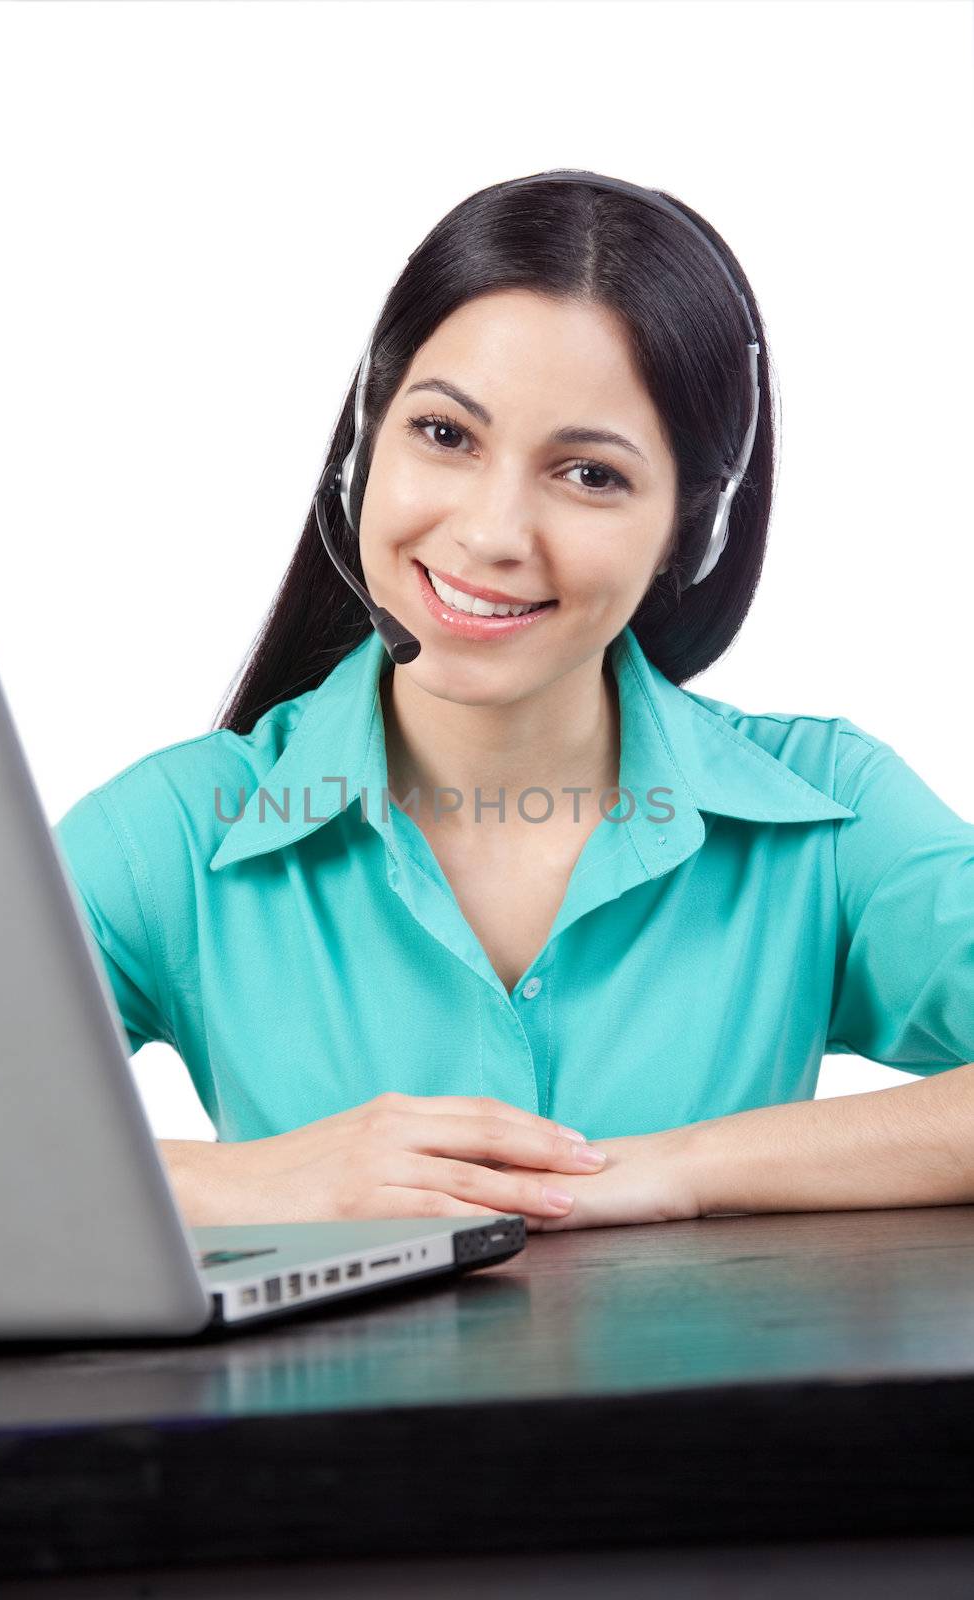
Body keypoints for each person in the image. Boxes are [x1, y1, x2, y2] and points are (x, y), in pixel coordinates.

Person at [54, 171, 974, 1235]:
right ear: (362, 443)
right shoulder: (169, 833)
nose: (493, 532)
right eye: (444, 435)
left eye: (588, 474)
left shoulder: (823, 814)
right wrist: (244, 1184)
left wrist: (681, 1169)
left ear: (693, 527)